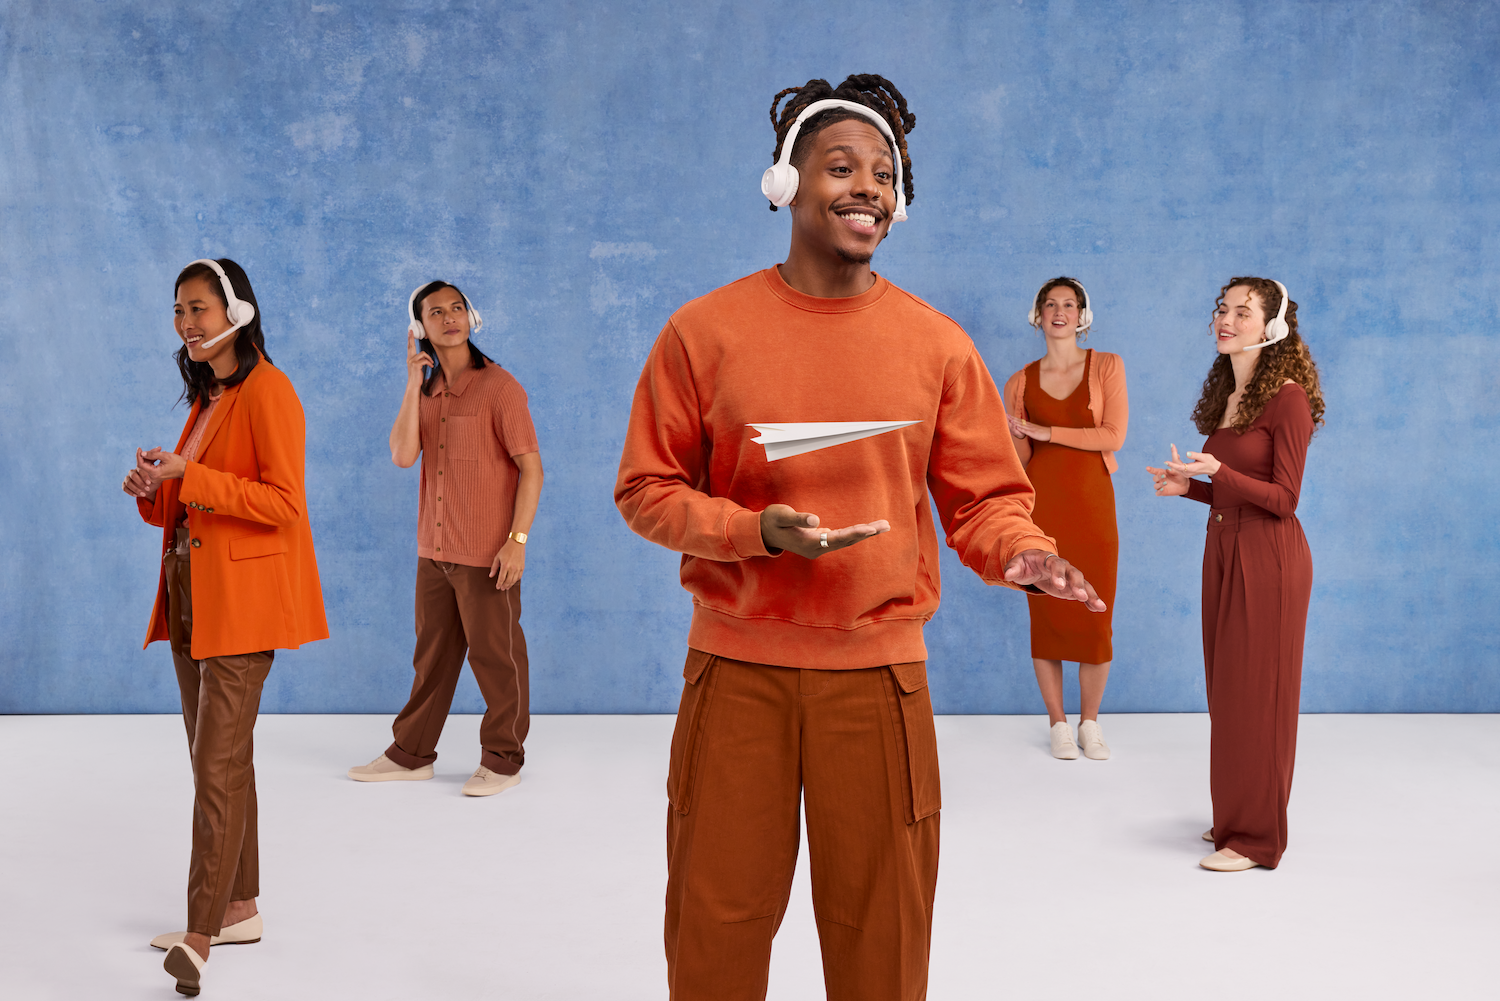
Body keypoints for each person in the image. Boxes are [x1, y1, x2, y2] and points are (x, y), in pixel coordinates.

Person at [615, 74, 1105, 1001]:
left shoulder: (937, 345)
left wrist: (1021, 549)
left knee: (883, 939)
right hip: (736, 675)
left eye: (884, 173)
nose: (867, 187)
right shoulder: (703, 332)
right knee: (714, 930)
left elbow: (984, 501)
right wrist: (752, 530)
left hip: (880, 681)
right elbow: (646, 489)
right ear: (786, 182)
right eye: (841, 167)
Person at [124, 258, 328, 996]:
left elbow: (284, 502)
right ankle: (239, 907)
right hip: (191, 597)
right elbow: (191, 500)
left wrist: (193, 475)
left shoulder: (270, 390)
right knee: (222, 760)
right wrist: (153, 487)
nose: (187, 323)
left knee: (215, 769)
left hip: (241, 605)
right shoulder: (210, 396)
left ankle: (200, 935)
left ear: (237, 311)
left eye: (199, 308)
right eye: (178, 310)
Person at [1146, 276, 1324, 872]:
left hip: (1268, 557)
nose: (1226, 319)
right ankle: (1235, 815)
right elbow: (1232, 490)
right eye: (1223, 309)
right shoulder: (1232, 395)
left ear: (1273, 326)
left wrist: (1218, 473)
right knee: (1228, 691)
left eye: (1243, 312)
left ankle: (1255, 838)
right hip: (1223, 549)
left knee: (1258, 695)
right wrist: (1190, 488)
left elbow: (1285, 500)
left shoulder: (1288, 399)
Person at [348, 281, 542, 797]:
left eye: (457, 308)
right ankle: (411, 754)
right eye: (436, 312)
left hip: (487, 555)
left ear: (471, 317)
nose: (450, 317)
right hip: (433, 553)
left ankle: (503, 759)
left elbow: (532, 469)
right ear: (420, 328)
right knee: (431, 658)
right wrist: (412, 384)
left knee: (496, 658)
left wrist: (517, 541)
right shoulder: (426, 393)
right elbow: (402, 456)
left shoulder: (500, 387)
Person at [1002, 278, 1128, 760]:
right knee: (1048, 614)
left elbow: (1112, 435)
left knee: (1096, 614)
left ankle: (1090, 723)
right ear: (1038, 315)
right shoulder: (1019, 381)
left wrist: (1045, 429)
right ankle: (1057, 723)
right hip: (1043, 507)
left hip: (1093, 505)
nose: (1060, 311)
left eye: (1069, 304)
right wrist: (1014, 435)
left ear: (1082, 315)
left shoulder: (1107, 365)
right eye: (1050, 304)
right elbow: (1020, 459)